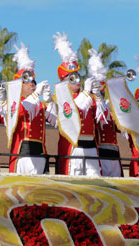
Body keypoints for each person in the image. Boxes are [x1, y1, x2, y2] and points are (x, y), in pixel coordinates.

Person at [52, 32, 102, 176]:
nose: (77, 80)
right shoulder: (60, 98)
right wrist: (87, 93)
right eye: (72, 77)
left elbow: (103, 118)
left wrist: (98, 97)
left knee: (95, 185)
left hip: (91, 146)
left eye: (77, 76)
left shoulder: (89, 97)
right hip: (74, 147)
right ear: (64, 80)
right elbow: (73, 111)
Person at [5, 43, 55, 174]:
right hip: (22, 154)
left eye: (33, 83)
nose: (31, 85)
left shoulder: (40, 104)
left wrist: (50, 102)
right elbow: (19, 112)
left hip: (40, 153)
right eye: (27, 82)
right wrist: (36, 94)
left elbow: (57, 122)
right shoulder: (12, 103)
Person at [87, 48, 122, 177]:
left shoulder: (109, 106)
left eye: (103, 88)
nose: (101, 91)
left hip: (114, 151)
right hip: (100, 150)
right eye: (98, 88)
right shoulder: (90, 103)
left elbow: (119, 127)